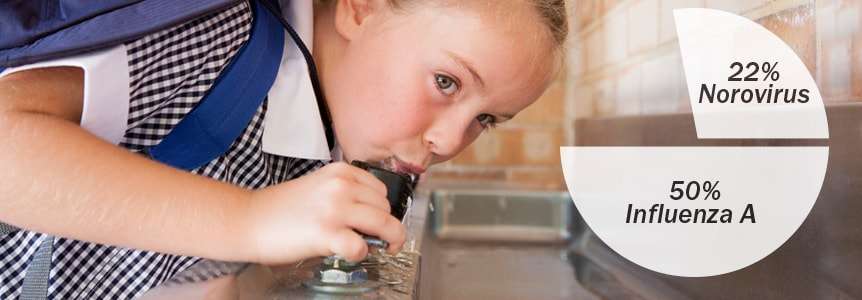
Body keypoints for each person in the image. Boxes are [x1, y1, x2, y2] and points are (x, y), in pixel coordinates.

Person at [0, 0, 568, 298]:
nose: (449, 141)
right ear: (360, 7)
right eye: (446, 82)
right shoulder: (220, 34)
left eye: (485, 120)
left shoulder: (320, 152)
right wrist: (247, 219)